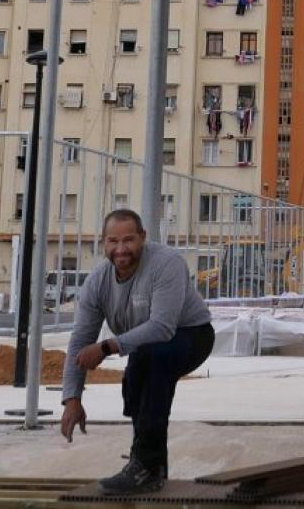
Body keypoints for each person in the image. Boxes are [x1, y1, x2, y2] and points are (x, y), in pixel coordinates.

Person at [59, 208, 214, 494]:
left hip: (192, 334)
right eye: (112, 242)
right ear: (103, 243)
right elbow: (80, 340)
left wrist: (106, 347)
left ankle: (145, 466)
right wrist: (72, 398)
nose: (121, 249)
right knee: (135, 384)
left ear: (142, 237)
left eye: (128, 240)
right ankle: (149, 466)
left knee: (153, 360)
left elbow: (162, 328)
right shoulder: (97, 282)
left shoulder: (166, 264)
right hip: (145, 346)